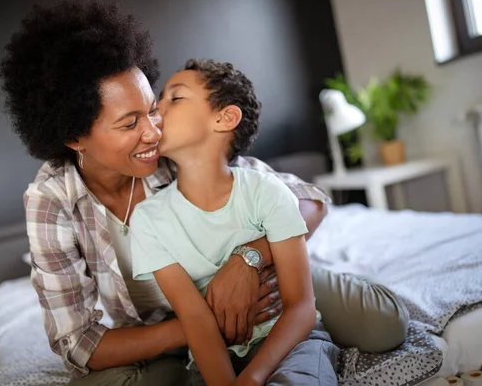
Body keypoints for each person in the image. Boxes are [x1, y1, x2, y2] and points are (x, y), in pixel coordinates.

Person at [0, 0, 409, 385]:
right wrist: (201, 325)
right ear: (74, 137)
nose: (152, 132)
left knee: (383, 326)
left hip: (263, 289)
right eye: (129, 124)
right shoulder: (52, 200)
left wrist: (248, 260)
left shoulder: (177, 154)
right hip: (167, 329)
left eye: (153, 109)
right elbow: (78, 343)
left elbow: (310, 201)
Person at [129, 59, 340, 385]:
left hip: (290, 343)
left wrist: (253, 378)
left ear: (224, 118)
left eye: (175, 98)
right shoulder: (148, 219)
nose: (157, 110)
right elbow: (195, 319)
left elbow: (301, 307)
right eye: (159, 100)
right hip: (213, 356)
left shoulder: (265, 190)